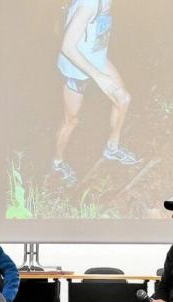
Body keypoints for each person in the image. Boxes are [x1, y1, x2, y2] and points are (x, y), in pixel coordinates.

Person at [53, 0, 140, 185]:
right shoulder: (89, 5)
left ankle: (112, 148)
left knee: (123, 99)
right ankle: (57, 163)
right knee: (71, 121)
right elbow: (67, 47)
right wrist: (99, 77)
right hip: (76, 70)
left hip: (97, 59)